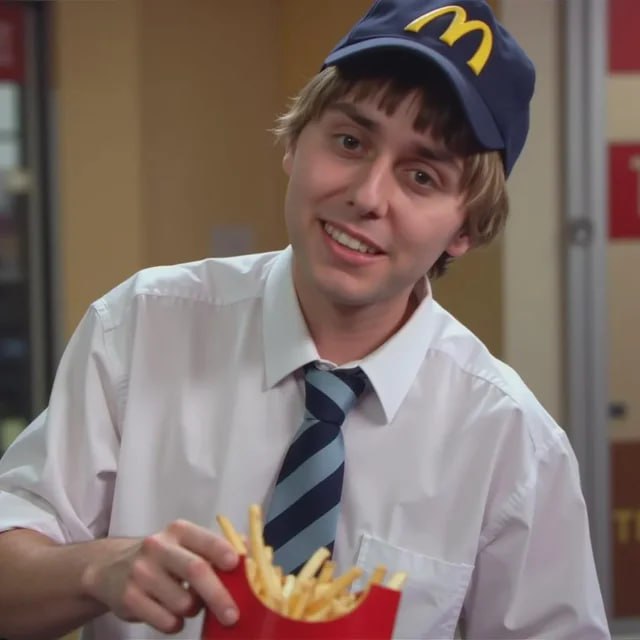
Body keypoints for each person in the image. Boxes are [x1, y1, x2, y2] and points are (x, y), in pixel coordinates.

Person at [0, 0, 610, 638]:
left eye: (422, 176)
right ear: (294, 143)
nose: (367, 196)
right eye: (350, 142)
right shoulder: (140, 329)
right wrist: (95, 570)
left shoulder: (511, 442)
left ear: (466, 228)